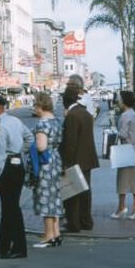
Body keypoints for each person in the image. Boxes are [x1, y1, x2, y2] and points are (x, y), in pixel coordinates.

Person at [0, 91, 33, 259]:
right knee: (8, 207)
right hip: (17, 167)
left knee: (11, 209)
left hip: (7, 170)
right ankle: (3, 244)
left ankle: (20, 247)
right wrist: (20, 152)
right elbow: (30, 138)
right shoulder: (15, 121)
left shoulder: (1, 127)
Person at [60, 82, 99, 233]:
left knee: (72, 193)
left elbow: (70, 143)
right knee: (85, 191)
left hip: (75, 160)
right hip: (88, 158)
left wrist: (65, 163)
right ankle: (86, 221)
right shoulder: (86, 114)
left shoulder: (72, 116)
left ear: (65, 101)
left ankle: (73, 224)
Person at [30, 92, 64, 248]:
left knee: (45, 197)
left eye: (35, 105)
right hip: (56, 161)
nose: (33, 108)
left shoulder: (42, 124)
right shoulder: (56, 121)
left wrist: (32, 146)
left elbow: (41, 146)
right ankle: (56, 233)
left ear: (41, 106)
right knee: (55, 197)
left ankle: (48, 235)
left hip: (45, 163)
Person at [110, 91, 135, 220]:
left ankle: (121, 207)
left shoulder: (124, 116)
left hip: (125, 148)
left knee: (122, 179)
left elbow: (123, 134)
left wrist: (115, 132)